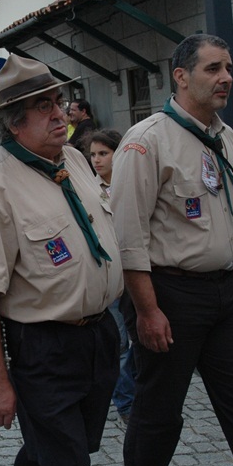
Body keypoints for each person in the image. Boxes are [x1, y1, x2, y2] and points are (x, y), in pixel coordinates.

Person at [111, 34, 233, 466]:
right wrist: (147, 310)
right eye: (213, 69)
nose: (226, 78)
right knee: (158, 412)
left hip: (229, 293)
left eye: (228, 68)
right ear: (181, 77)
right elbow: (128, 238)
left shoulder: (225, 136)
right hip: (172, 296)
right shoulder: (146, 141)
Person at [0, 54, 122, 466]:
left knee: (48, 454)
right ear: (14, 123)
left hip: (99, 337)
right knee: (69, 463)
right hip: (44, 347)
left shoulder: (75, 159)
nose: (60, 113)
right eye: (44, 106)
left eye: (59, 100)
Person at [89, 128, 136, 424]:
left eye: (103, 153)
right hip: (111, 276)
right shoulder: (88, 189)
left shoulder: (130, 184)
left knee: (143, 340)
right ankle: (125, 404)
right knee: (119, 343)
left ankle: (135, 391)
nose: (96, 160)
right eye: (92, 154)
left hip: (139, 270)